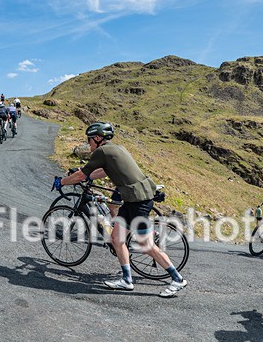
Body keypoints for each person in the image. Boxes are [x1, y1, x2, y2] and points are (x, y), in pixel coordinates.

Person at [55, 122, 187, 297]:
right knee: (117, 239)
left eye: (89, 140)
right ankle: (126, 280)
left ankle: (177, 279)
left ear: (97, 138)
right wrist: (83, 177)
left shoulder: (101, 151)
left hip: (138, 201)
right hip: (132, 200)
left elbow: (83, 174)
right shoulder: (115, 149)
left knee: (146, 245)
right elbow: (102, 172)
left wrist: (62, 181)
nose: (89, 144)